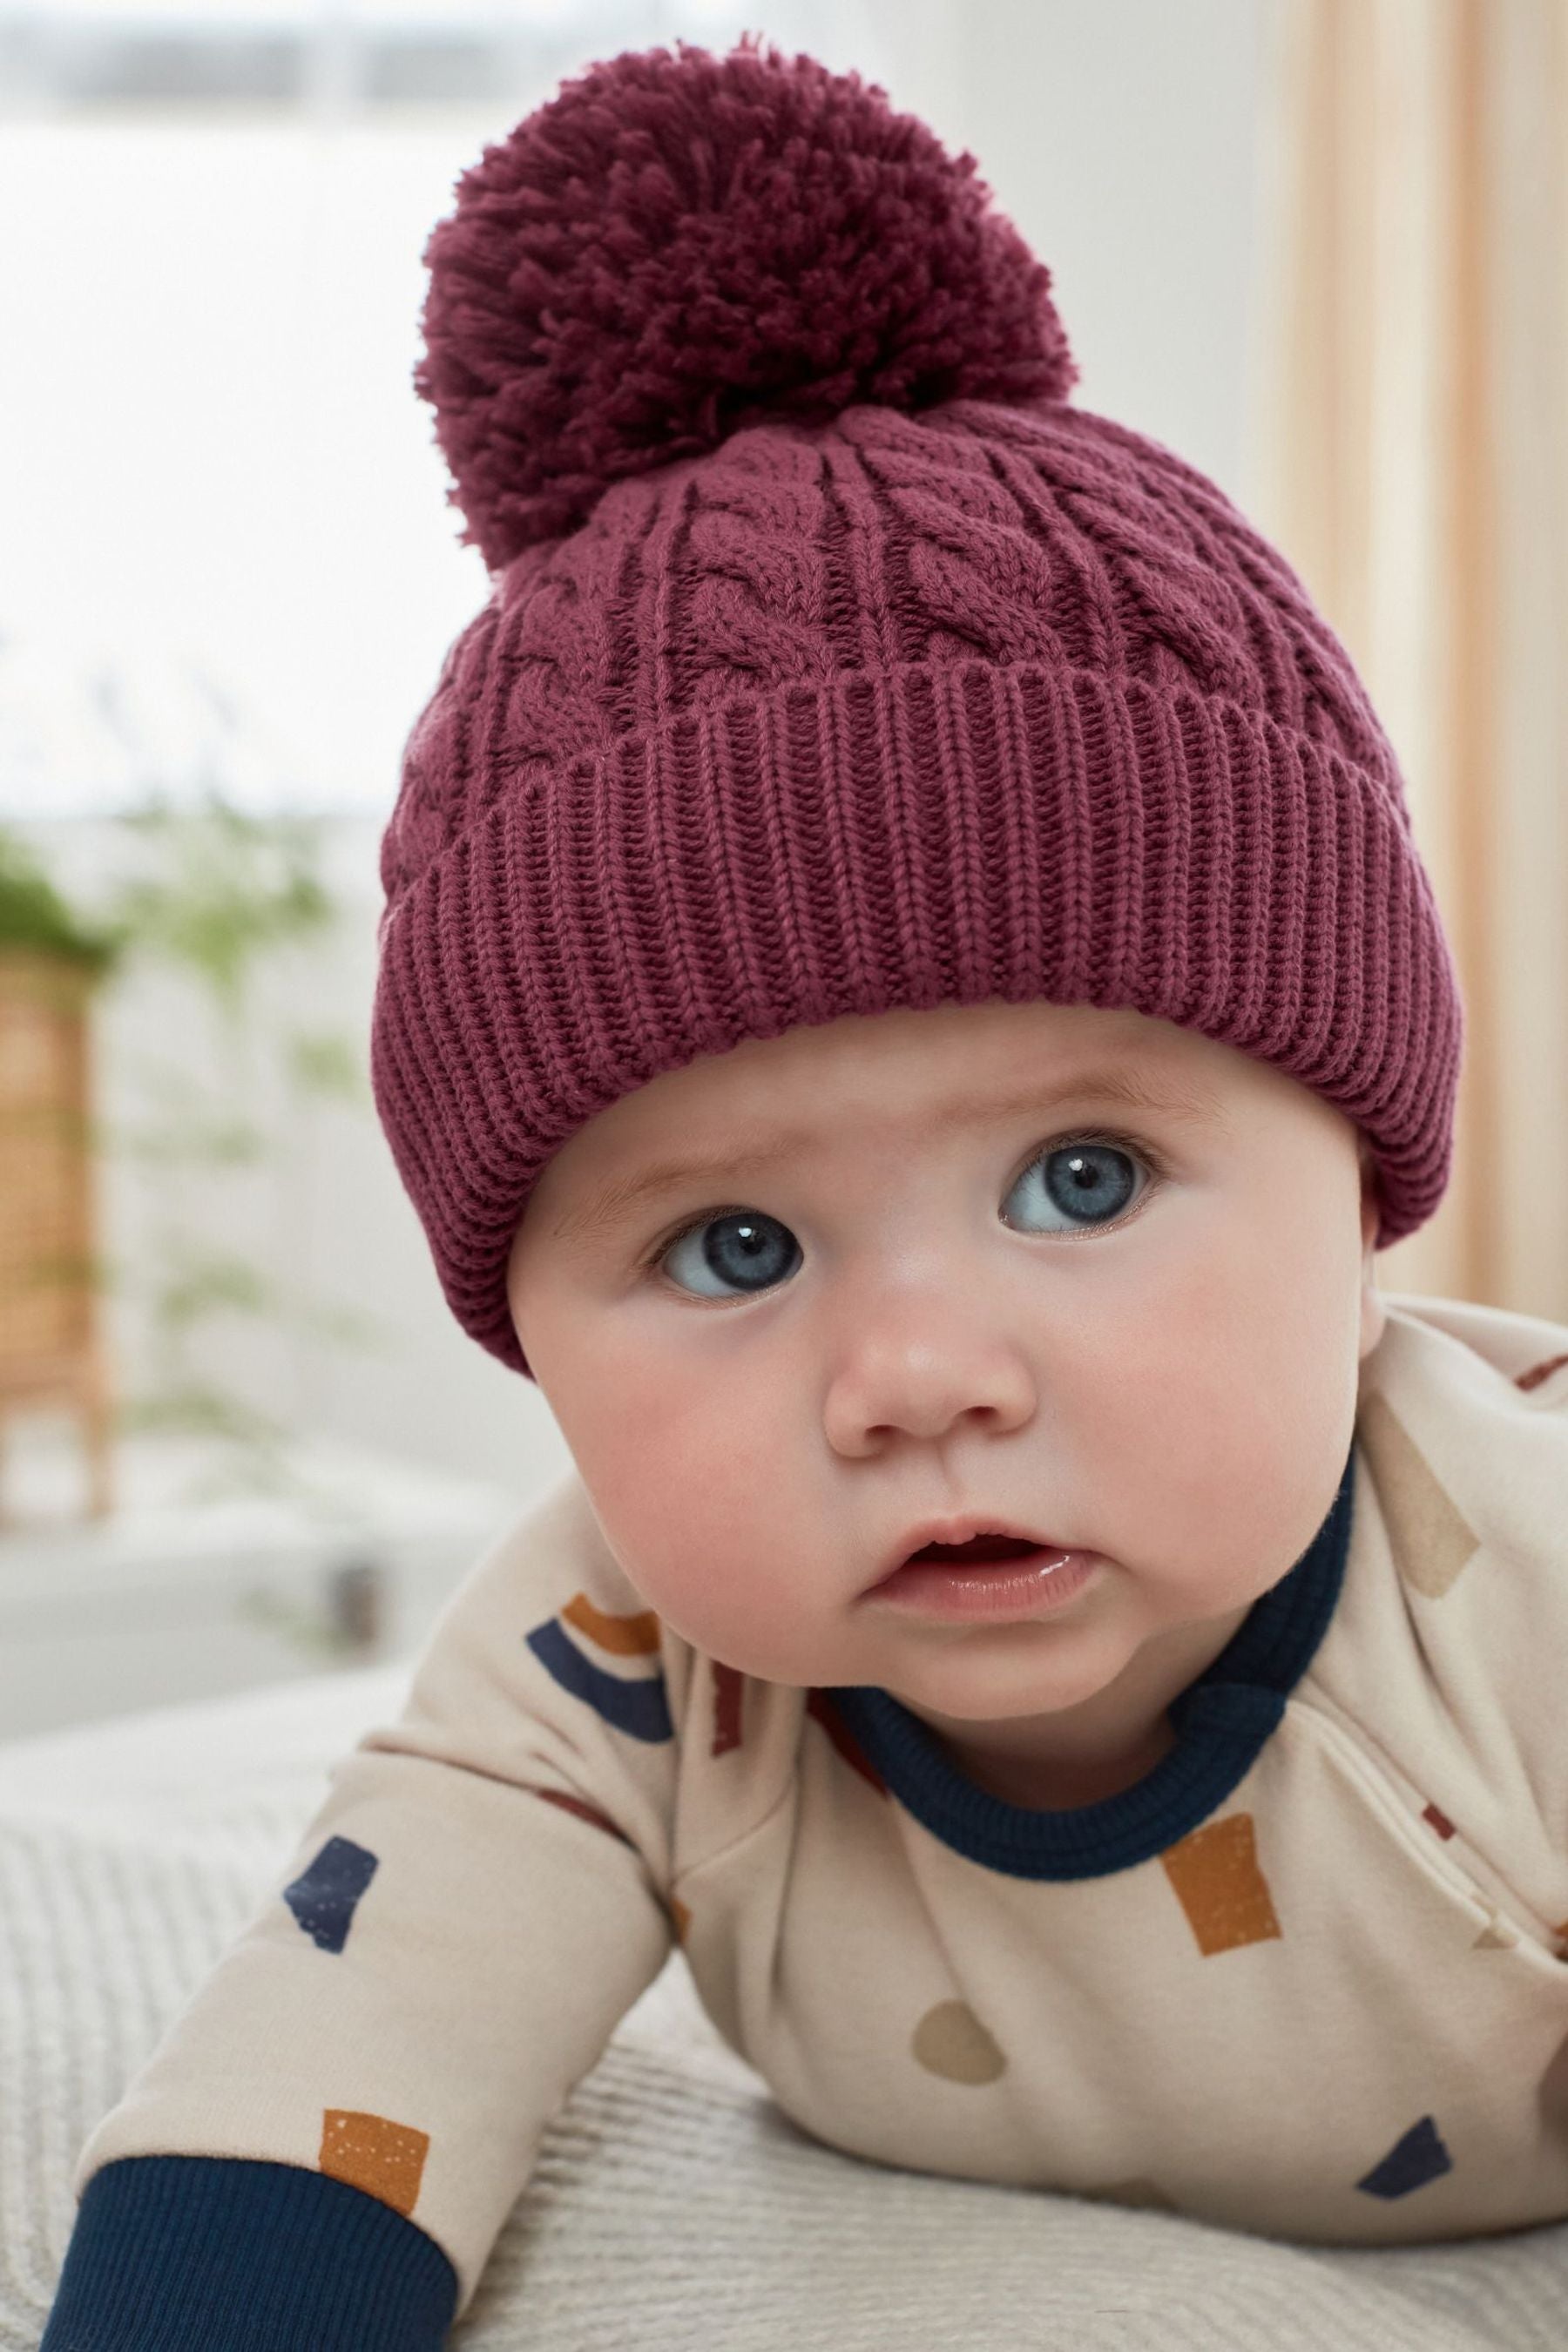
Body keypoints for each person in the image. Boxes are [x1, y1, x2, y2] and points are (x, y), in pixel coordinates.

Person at [40, 34, 1568, 2351]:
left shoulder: (1518, 1587)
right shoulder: (620, 1662)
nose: (920, 1373)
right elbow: (328, 2074)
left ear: (1362, 1196)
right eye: (729, 1247)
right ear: (530, 1333)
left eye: (1083, 1175)